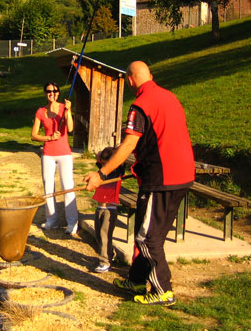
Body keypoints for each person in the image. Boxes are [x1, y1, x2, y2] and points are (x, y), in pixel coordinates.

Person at [84, 61, 195, 306]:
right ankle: (136, 279)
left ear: (130, 80)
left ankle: (162, 290)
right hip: (183, 175)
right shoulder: (170, 97)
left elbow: (128, 144)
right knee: (151, 233)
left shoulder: (140, 105)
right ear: (151, 76)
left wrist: (101, 174)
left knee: (147, 238)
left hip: (161, 178)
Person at [31, 81, 79, 237]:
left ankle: (72, 223)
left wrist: (68, 111)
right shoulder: (40, 111)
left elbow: (70, 129)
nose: (51, 93)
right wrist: (49, 137)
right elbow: (33, 135)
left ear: (58, 93)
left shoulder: (64, 108)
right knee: (48, 188)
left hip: (64, 153)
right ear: (45, 93)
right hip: (48, 154)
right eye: (48, 91)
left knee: (67, 187)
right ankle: (51, 220)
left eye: (54, 91)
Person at [92, 147, 125, 273]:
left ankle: (105, 262)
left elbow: (120, 161)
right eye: (104, 164)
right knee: (99, 236)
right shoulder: (101, 171)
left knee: (105, 236)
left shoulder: (117, 172)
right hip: (100, 208)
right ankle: (111, 255)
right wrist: (99, 156)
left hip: (109, 209)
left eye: (107, 164)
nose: (106, 166)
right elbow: (98, 160)